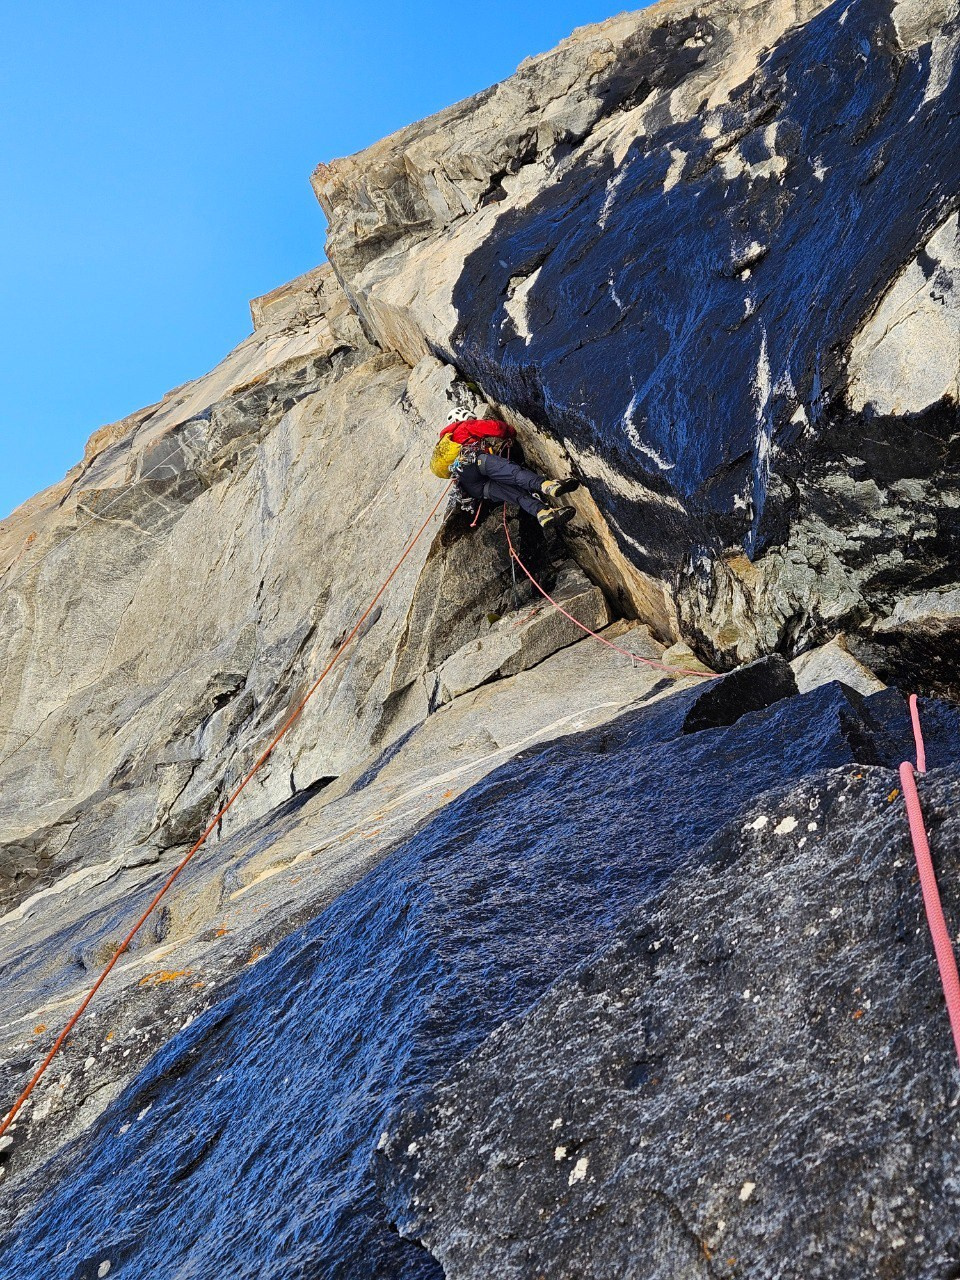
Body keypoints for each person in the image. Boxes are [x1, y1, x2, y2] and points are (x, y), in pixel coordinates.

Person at [432, 416, 580, 528]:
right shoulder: (463, 427)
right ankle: (548, 486)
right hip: (474, 462)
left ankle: (543, 514)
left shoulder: (445, 447)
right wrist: (510, 433)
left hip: (472, 487)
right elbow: (496, 428)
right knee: (514, 473)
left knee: (516, 495)